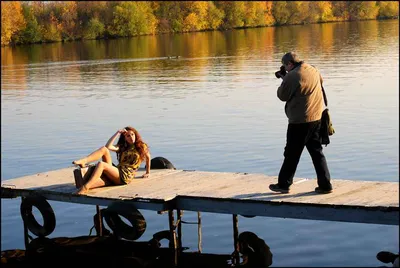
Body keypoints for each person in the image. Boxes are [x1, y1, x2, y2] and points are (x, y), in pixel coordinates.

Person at [269, 52, 333, 194]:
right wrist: (287, 78)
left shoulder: (292, 76)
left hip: (299, 122)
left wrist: (284, 80)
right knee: (317, 153)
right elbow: (310, 85)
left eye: (286, 67)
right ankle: (325, 185)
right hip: (316, 118)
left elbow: (282, 95)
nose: (286, 69)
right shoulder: (313, 69)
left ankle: (283, 184)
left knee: (291, 153)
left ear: (290, 64)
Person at [72, 126, 151, 194]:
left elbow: (148, 158)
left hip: (125, 176)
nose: (131, 137)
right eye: (128, 136)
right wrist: (117, 133)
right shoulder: (123, 147)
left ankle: (85, 188)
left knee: (101, 164)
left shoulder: (141, 146)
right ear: (125, 138)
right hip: (118, 170)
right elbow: (108, 146)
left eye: (132, 135)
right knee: (104, 149)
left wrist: (147, 172)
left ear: (135, 135)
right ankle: (84, 161)